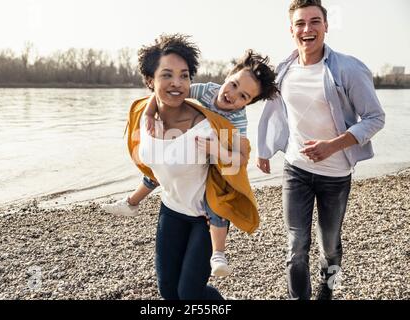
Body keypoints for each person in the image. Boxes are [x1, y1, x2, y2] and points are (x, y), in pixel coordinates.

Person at [104, 50, 278, 278]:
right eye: (234, 85)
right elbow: (168, 95)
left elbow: (241, 161)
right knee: (159, 169)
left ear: (250, 103)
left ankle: (219, 253)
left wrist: (216, 150)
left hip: (213, 165)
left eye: (244, 96)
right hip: (188, 156)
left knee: (216, 202)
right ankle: (131, 202)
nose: (233, 95)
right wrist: (148, 113)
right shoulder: (205, 89)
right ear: (228, 76)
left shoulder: (237, 120)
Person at [257, 0, 385, 300]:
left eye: (315, 22)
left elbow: (375, 118)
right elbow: (272, 112)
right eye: (300, 23)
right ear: (291, 30)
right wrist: (264, 149)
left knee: (330, 246)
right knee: (295, 246)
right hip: (295, 170)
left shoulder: (349, 68)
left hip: (336, 174)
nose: (307, 29)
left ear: (326, 26)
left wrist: (334, 145)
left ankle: (328, 295)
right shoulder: (282, 70)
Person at [124, 34, 259, 300]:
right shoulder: (141, 114)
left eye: (184, 76)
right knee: (167, 292)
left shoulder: (212, 126)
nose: (177, 83)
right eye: (167, 75)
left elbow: (237, 166)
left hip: (204, 218)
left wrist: (219, 156)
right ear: (150, 81)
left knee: (189, 294)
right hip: (170, 211)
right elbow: (146, 161)